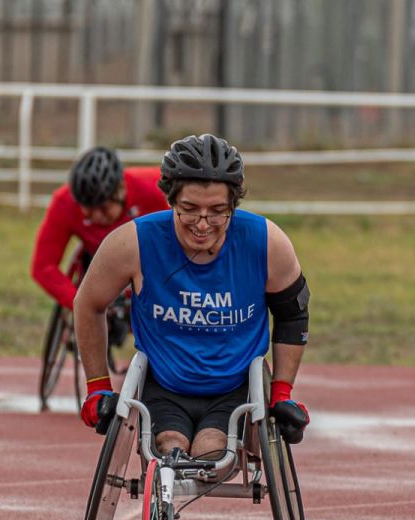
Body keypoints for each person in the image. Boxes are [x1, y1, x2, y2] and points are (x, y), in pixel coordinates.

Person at [73, 134, 311, 458]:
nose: (202, 224)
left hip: (237, 387)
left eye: (217, 211)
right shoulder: (132, 243)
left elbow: (292, 313)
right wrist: (97, 387)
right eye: (189, 209)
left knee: (210, 452)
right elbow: (88, 303)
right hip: (164, 385)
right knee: (170, 450)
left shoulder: (267, 242)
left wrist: (281, 393)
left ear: (233, 206)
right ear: (170, 200)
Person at [30, 146, 169, 312]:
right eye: (88, 209)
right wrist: (81, 303)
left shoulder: (153, 188)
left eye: (104, 208)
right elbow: (44, 266)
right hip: (97, 265)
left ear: (121, 191)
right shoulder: (64, 203)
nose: (96, 216)